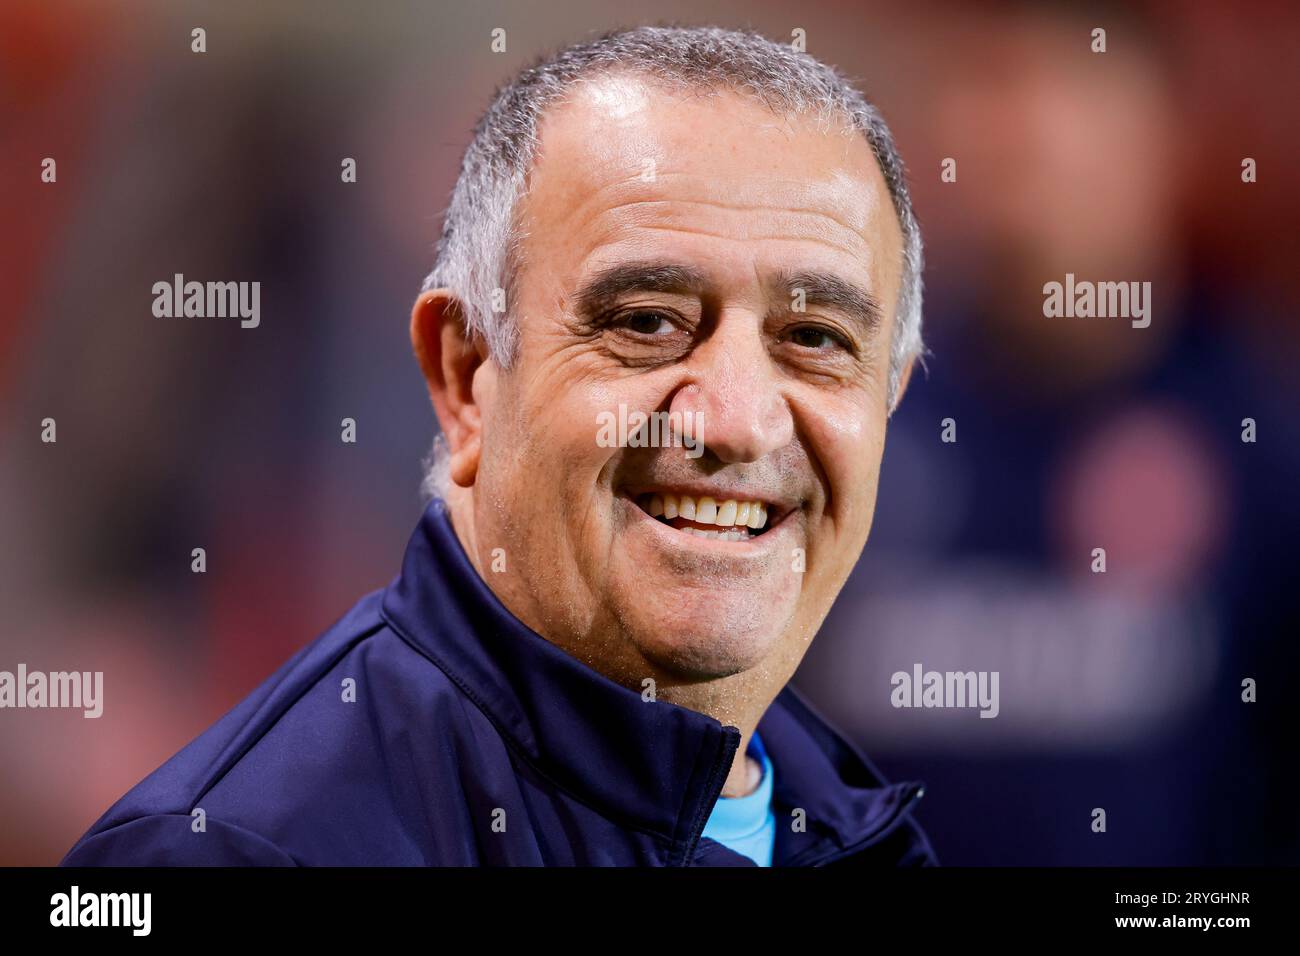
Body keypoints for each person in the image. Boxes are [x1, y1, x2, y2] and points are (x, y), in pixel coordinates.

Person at [62, 24, 936, 867]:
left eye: (816, 337)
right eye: (646, 322)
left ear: (887, 399)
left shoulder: (859, 832)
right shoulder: (229, 851)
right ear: (466, 375)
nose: (738, 421)